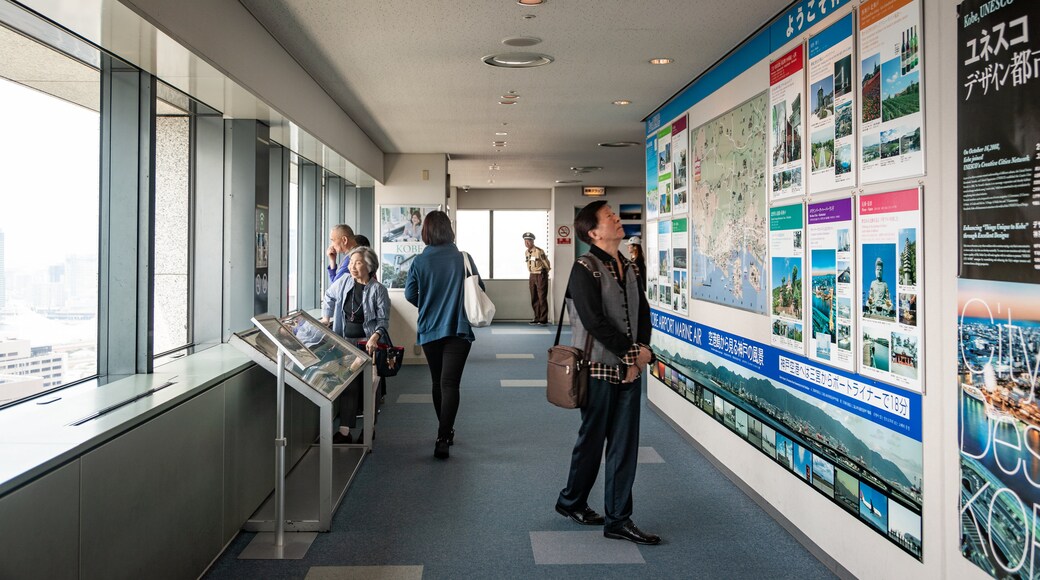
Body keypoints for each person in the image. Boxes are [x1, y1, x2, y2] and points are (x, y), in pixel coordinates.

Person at [555, 200, 659, 545]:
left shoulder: (628, 265)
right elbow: (593, 321)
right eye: (610, 217)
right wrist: (632, 355)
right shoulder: (584, 268)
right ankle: (572, 500)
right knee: (592, 439)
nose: (617, 219)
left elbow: (642, 312)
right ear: (594, 232)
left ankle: (618, 519)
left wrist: (641, 352)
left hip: (629, 370)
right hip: (597, 369)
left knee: (624, 446)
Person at [404, 210, 482, 459]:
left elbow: (409, 294)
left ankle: (444, 432)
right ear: (449, 230)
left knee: (437, 382)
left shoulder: (419, 261)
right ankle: (444, 435)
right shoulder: (463, 258)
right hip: (458, 329)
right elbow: (479, 289)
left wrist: (428, 305)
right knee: (451, 384)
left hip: (429, 329)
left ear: (425, 232)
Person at [321, 246, 390, 443]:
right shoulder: (343, 281)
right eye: (351, 262)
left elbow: (383, 321)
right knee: (348, 385)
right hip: (345, 342)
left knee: (369, 387)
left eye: (357, 262)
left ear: (369, 266)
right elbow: (329, 296)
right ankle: (344, 431)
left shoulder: (379, 290)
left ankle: (369, 430)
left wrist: (375, 337)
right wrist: (326, 316)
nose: (352, 266)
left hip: (368, 345)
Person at [523, 232, 551, 325]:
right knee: (534, 297)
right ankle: (537, 317)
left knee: (542, 297)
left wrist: (545, 273)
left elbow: (546, 263)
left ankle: (543, 319)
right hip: (532, 275)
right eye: (525, 241)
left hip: (540, 274)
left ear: (532, 241)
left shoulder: (539, 251)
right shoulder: (527, 252)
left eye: (528, 241)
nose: (526, 243)